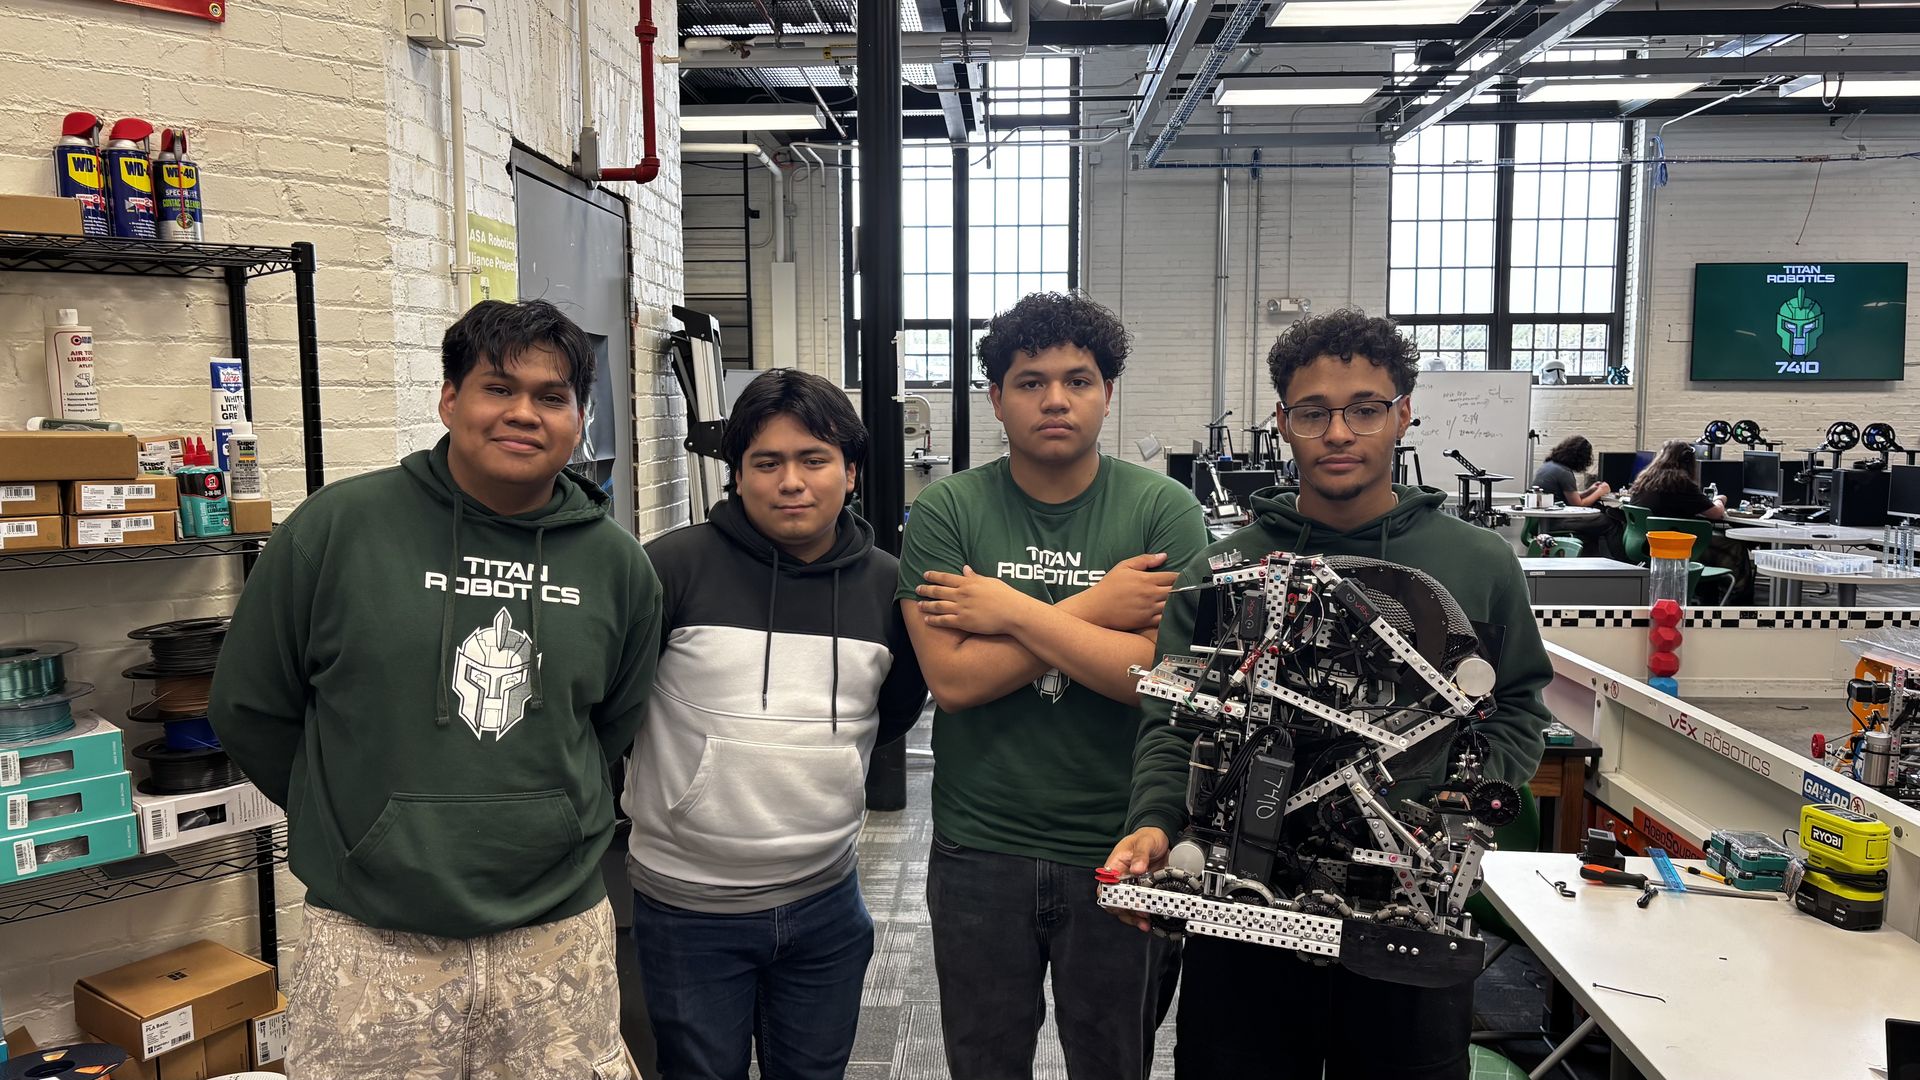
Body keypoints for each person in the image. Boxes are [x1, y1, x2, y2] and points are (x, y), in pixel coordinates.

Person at [209, 300, 661, 1080]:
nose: (524, 413)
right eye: (498, 388)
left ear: (580, 419)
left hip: (556, 930)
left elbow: (610, 725)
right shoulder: (336, 530)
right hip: (371, 936)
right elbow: (250, 708)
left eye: (552, 397)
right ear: (449, 400)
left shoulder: (618, 567)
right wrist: (360, 825)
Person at [1105, 308, 1553, 1080]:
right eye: (1313, 413)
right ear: (1283, 423)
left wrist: (1459, 810)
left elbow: (1515, 708)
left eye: (1364, 409)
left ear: (1402, 414)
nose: (1339, 432)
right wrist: (1152, 823)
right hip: (1247, 913)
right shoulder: (1223, 572)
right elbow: (1176, 720)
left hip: (1406, 923)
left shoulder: (1478, 564)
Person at [896, 291, 1209, 1080]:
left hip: (1124, 843)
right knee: (984, 1062)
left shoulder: (1166, 511)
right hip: (980, 848)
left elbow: (1159, 684)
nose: (1057, 399)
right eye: (1031, 381)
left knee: (1114, 1063)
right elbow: (957, 681)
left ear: (1107, 392)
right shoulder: (946, 512)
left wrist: (1005, 610)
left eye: (1080, 378)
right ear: (996, 397)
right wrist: (1100, 608)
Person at [622, 368, 927, 1079]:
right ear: (737, 476)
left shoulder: (887, 585)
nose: (791, 481)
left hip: (826, 903)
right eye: (767, 462)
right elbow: (613, 709)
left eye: (813, 460)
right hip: (686, 909)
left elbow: (893, 713)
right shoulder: (671, 568)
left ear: (850, 473)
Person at [1627, 439, 1756, 603]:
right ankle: (1739, 605)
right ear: (1688, 462)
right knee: (1735, 546)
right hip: (1676, 547)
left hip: (1648, 545)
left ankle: (1706, 598)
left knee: (1711, 541)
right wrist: (1719, 499)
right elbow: (1716, 514)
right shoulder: (1680, 483)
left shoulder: (1644, 480)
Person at [1531, 434, 1625, 559]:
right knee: (1609, 522)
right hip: (1556, 521)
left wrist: (1590, 490)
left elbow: (1568, 497)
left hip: (1545, 520)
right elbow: (1577, 505)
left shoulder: (1549, 466)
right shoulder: (1564, 472)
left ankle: (1593, 559)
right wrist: (1600, 492)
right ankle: (1623, 562)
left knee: (1598, 512)